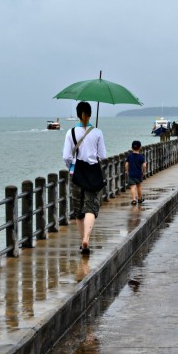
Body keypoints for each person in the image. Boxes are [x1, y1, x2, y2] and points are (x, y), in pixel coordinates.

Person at [62, 101, 107, 255]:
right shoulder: (97, 132)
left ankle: (83, 241)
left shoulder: (71, 132)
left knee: (78, 210)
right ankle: (87, 238)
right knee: (91, 207)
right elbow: (103, 155)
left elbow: (66, 156)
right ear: (90, 114)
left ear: (77, 114)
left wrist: (72, 167)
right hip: (93, 172)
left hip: (76, 172)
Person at [125, 140, 147, 205]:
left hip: (131, 174)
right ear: (140, 147)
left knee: (133, 186)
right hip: (138, 174)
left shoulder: (129, 156)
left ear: (132, 148)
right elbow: (144, 165)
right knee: (139, 186)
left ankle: (134, 199)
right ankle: (140, 198)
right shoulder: (141, 156)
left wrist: (127, 171)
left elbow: (126, 164)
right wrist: (144, 172)